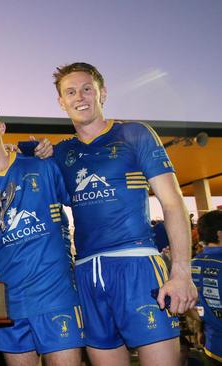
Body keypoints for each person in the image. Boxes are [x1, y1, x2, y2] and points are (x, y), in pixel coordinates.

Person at [51, 62, 197, 365]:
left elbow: (172, 203)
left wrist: (181, 272)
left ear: (102, 93)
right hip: (87, 272)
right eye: (71, 91)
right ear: (61, 102)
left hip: (138, 266)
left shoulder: (134, 134)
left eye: (87, 88)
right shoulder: (61, 153)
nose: (80, 96)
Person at [0, 101, 84, 365]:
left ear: (1, 127)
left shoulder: (41, 166)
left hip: (56, 299)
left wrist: (50, 150)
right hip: (8, 307)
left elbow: (81, 201)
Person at [191, 210, 222, 364]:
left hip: (212, 346)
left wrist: (203, 322)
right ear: (220, 234)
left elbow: (185, 307)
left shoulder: (191, 265)